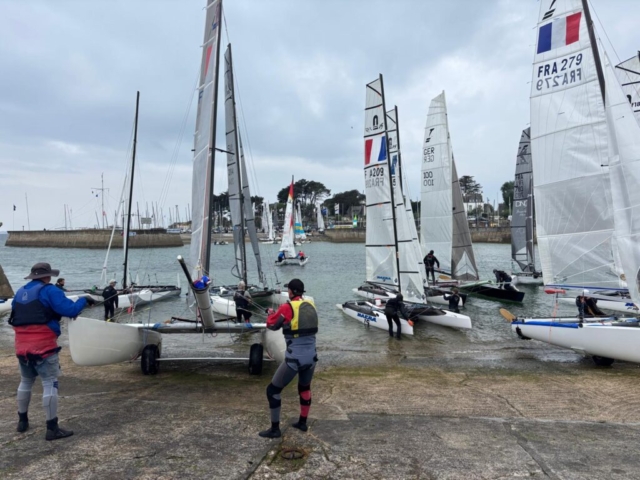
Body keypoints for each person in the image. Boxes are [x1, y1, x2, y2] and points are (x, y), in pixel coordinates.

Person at [9, 262, 95, 440]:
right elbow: (69, 310)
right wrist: (84, 300)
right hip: (44, 346)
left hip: (22, 345)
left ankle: (22, 422)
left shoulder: (20, 291)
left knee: (26, 381)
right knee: (49, 382)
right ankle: (52, 428)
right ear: (48, 276)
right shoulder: (50, 290)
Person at [259, 278, 318, 439]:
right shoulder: (311, 306)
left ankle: (275, 429)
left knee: (272, 391)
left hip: (294, 360)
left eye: (288, 290)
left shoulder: (287, 307)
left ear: (291, 291)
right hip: (311, 358)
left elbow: (272, 325)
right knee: (304, 388)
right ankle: (302, 423)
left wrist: (271, 314)